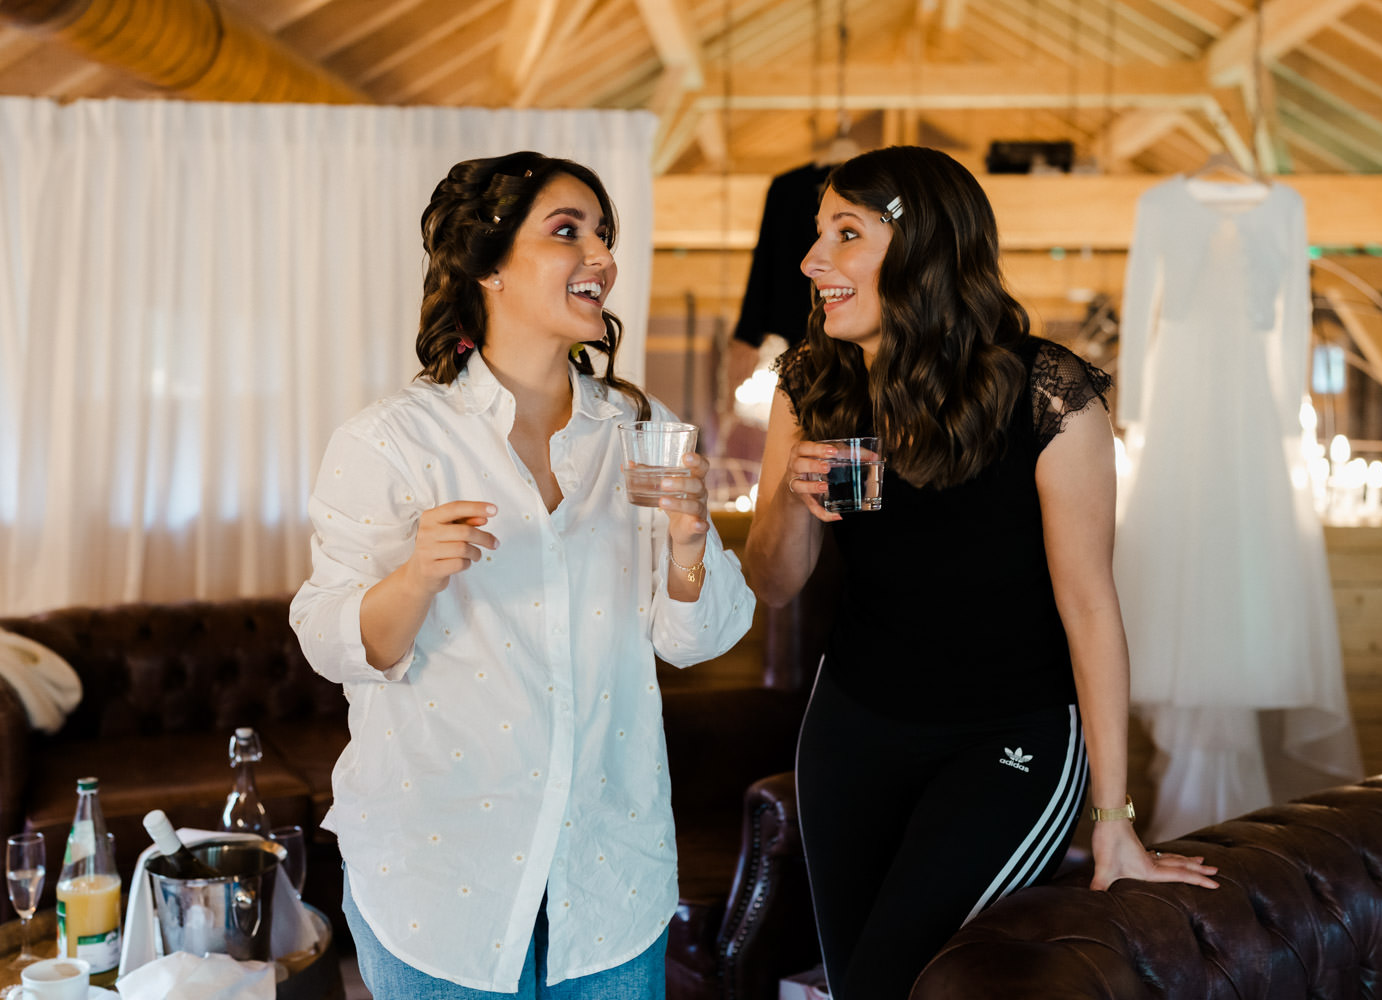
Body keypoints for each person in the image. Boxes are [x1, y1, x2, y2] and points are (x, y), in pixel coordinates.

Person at [742, 146, 1219, 1000]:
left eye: (845, 234)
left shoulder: (1048, 394)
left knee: (897, 976)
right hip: (852, 730)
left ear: (925, 244)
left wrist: (1115, 824)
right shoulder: (809, 386)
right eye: (817, 236)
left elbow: (1089, 607)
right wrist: (787, 492)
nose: (812, 263)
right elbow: (773, 582)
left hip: (1012, 738)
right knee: (859, 985)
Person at [290, 152, 754, 999]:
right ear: (488, 265)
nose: (602, 257)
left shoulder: (643, 431)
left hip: (608, 872)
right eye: (567, 231)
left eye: (606, 236)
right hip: (437, 875)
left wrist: (691, 545)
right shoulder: (392, 440)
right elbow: (330, 640)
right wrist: (417, 577)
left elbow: (698, 640)